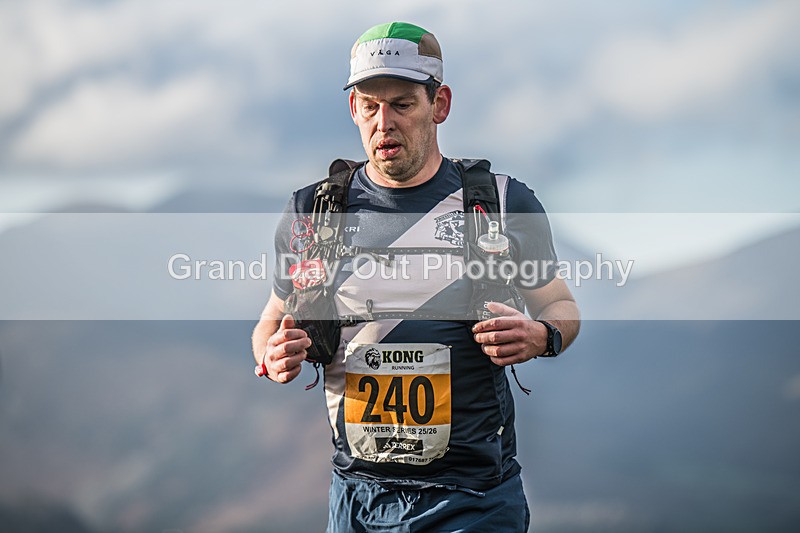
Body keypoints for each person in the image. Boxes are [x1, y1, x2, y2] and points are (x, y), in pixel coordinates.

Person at [252, 21, 580, 532]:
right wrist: (272, 353)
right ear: (353, 109)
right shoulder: (312, 213)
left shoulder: (501, 203)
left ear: (440, 104)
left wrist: (543, 336)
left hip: (472, 502)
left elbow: (560, 304)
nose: (384, 123)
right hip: (357, 500)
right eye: (369, 106)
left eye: (402, 104)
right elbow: (271, 319)